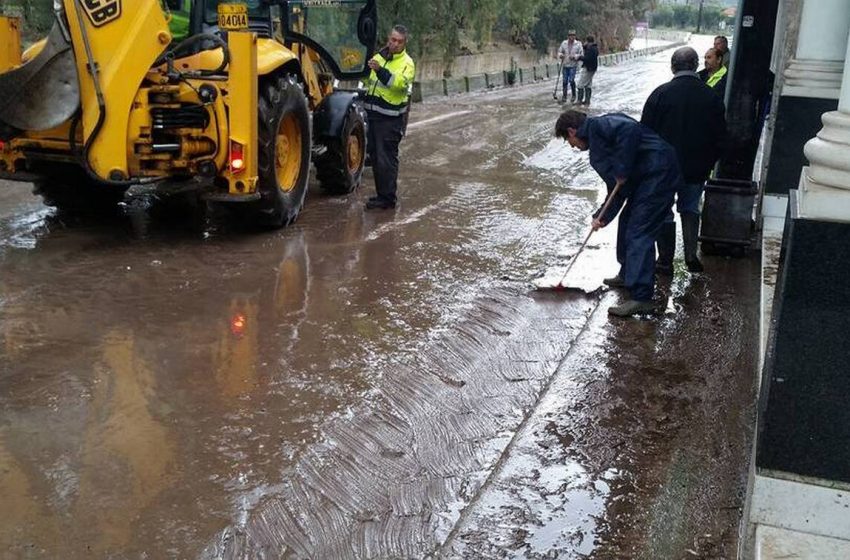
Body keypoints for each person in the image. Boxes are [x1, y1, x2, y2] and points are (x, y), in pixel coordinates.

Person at [555, 110, 682, 317]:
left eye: (569, 141)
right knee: (626, 221)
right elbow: (617, 190)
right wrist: (601, 217)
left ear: (572, 131)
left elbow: (630, 130)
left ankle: (642, 297)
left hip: (659, 175)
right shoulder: (598, 139)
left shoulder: (601, 126)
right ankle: (627, 273)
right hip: (646, 179)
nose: (572, 146)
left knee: (639, 232)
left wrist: (622, 170)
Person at [642, 47, 727, 274]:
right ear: (695, 65)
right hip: (697, 169)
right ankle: (691, 255)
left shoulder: (660, 94)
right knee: (690, 208)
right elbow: (721, 137)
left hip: (663, 170)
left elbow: (644, 135)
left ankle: (665, 261)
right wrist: (708, 162)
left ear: (672, 66)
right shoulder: (711, 96)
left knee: (664, 211)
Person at [363, 25, 416, 210]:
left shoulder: (407, 63)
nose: (394, 44)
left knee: (387, 159)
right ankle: (381, 195)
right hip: (373, 116)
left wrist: (380, 71)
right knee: (376, 158)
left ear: (404, 43)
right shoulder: (379, 57)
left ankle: (388, 198)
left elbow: (400, 84)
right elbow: (368, 82)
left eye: (399, 42)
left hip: (390, 119)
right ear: (388, 38)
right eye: (392, 40)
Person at [557, 30, 583, 103]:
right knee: (565, 81)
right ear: (568, 36)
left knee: (571, 80)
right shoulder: (564, 43)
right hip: (565, 64)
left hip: (573, 65)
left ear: (575, 36)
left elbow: (581, 54)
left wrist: (575, 56)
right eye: (570, 35)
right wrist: (561, 55)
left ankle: (574, 95)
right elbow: (559, 52)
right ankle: (564, 96)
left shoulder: (578, 44)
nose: (572, 37)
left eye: (573, 35)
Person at [576, 36, 599, 106]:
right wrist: (584, 47)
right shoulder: (594, 48)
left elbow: (587, 58)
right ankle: (587, 101)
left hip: (588, 68)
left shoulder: (592, 49)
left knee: (580, 84)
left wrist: (579, 57)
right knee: (588, 85)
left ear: (588, 42)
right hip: (592, 68)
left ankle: (579, 101)